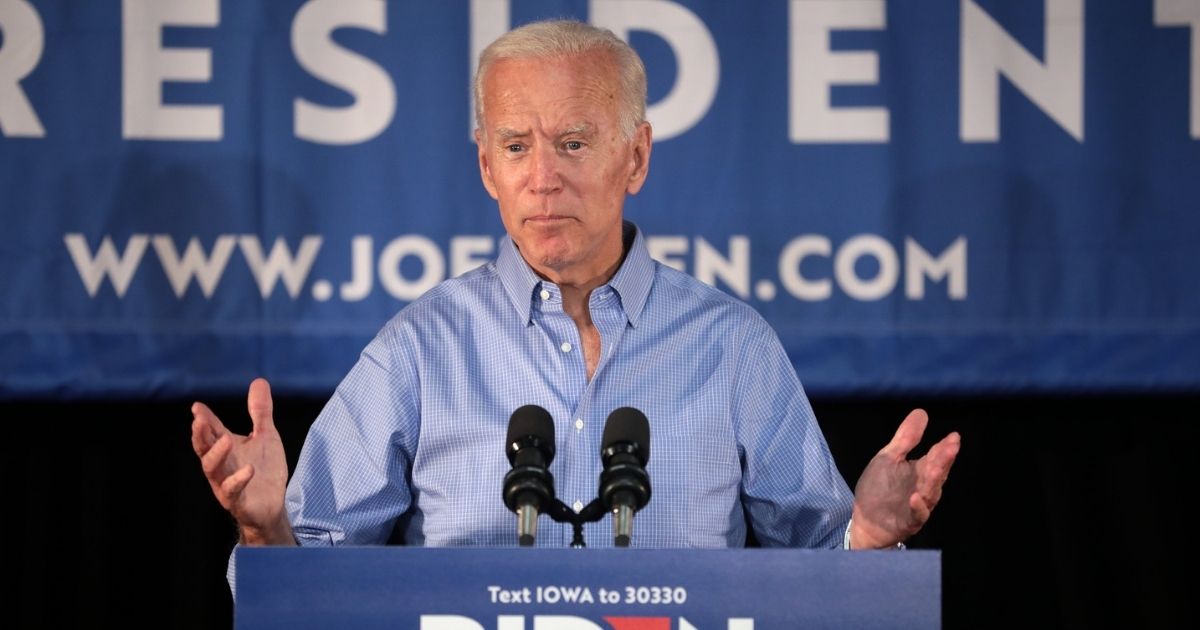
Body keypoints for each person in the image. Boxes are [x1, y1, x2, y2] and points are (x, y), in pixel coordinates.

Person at [191, 18, 960, 587]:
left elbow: (827, 584)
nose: (543, 177)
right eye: (517, 146)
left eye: (574, 143)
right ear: (487, 167)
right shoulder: (418, 352)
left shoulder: (732, 348)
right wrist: (265, 531)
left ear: (637, 156)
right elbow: (298, 591)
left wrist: (871, 534)